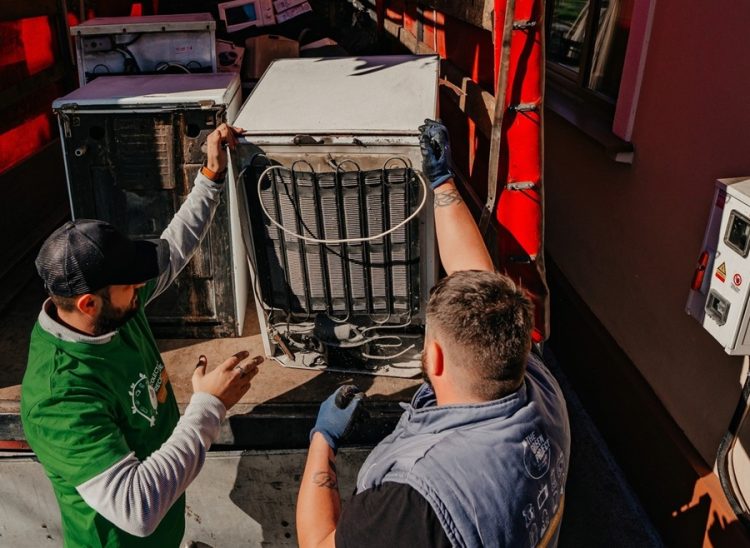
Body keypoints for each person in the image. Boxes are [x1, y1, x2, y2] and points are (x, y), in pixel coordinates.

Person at [296, 120, 571, 548]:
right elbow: (476, 275)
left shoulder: (416, 499)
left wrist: (322, 440)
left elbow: (317, 544)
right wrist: (443, 183)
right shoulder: (538, 390)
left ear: (436, 358)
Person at [21, 124, 262, 547]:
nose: (141, 286)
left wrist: (210, 176)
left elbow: (172, 250)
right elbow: (138, 509)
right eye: (131, 283)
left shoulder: (111, 310)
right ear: (88, 304)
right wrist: (209, 405)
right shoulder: (58, 399)